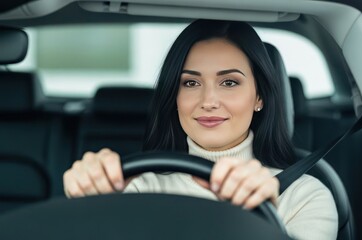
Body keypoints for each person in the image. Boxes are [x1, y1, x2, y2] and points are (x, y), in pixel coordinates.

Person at [63, 19, 338, 239]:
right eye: (191, 84)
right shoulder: (138, 189)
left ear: (259, 97)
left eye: (229, 83)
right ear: (175, 97)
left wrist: (261, 224)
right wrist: (86, 208)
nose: (208, 102)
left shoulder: (305, 197)